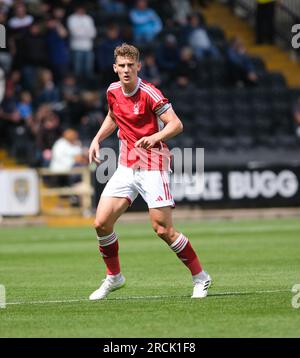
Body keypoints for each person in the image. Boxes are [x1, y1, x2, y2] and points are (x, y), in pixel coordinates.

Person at [88, 43, 211, 300]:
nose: (125, 70)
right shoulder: (112, 91)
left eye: (130, 66)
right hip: (125, 166)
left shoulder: (149, 93)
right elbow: (113, 115)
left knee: (163, 229)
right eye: (121, 66)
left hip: (153, 164)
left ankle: (201, 277)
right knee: (101, 223)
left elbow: (176, 124)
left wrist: (155, 137)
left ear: (138, 67)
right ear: (114, 68)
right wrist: (97, 138)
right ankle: (114, 277)